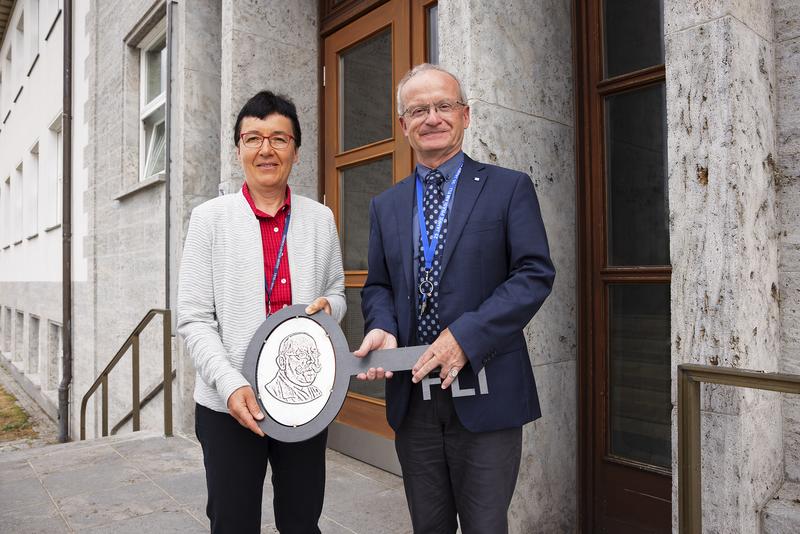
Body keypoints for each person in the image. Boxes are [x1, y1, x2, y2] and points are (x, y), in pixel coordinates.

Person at [355, 64, 555, 534]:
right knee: (429, 526)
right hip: (413, 397)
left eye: (443, 105)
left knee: (486, 525)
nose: (432, 117)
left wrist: (464, 337)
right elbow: (379, 285)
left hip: (488, 392)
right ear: (403, 125)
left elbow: (533, 275)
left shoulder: (509, 188)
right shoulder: (386, 204)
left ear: (465, 115)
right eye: (418, 109)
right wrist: (379, 324)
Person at [177, 90, 345, 534]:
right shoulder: (209, 219)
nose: (265, 150)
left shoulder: (320, 218)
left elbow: (336, 291)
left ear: (296, 149)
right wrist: (230, 384)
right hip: (228, 404)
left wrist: (332, 308)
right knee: (232, 521)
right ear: (238, 150)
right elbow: (194, 317)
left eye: (278, 138)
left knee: (302, 519)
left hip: (304, 400)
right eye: (253, 138)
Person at [266, 333, 323, 404]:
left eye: (314, 353)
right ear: (282, 362)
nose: (312, 360)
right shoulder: (273, 391)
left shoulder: (315, 392)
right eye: (301, 354)